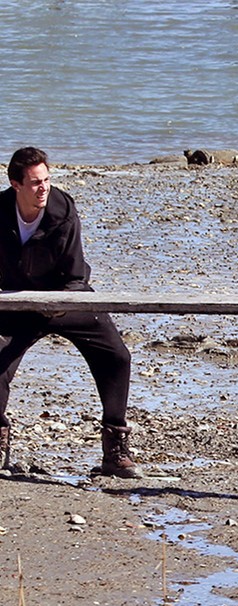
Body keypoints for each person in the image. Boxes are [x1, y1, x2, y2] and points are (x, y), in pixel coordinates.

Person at [0, 147, 140, 478]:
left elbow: (76, 275)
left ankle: (115, 449)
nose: (43, 188)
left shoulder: (62, 210)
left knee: (117, 356)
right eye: (35, 183)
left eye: (47, 180)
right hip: (18, 302)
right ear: (16, 184)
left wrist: (62, 305)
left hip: (66, 299)